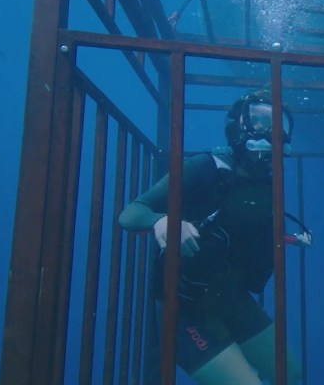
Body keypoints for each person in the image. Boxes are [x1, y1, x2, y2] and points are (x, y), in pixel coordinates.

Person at [119, 90, 307, 385]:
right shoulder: (204, 167)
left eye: (277, 124)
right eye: (258, 120)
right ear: (237, 126)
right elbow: (131, 213)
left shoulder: (268, 180)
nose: (270, 131)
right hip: (184, 308)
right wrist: (163, 221)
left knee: (292, 376)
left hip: (231, 297)